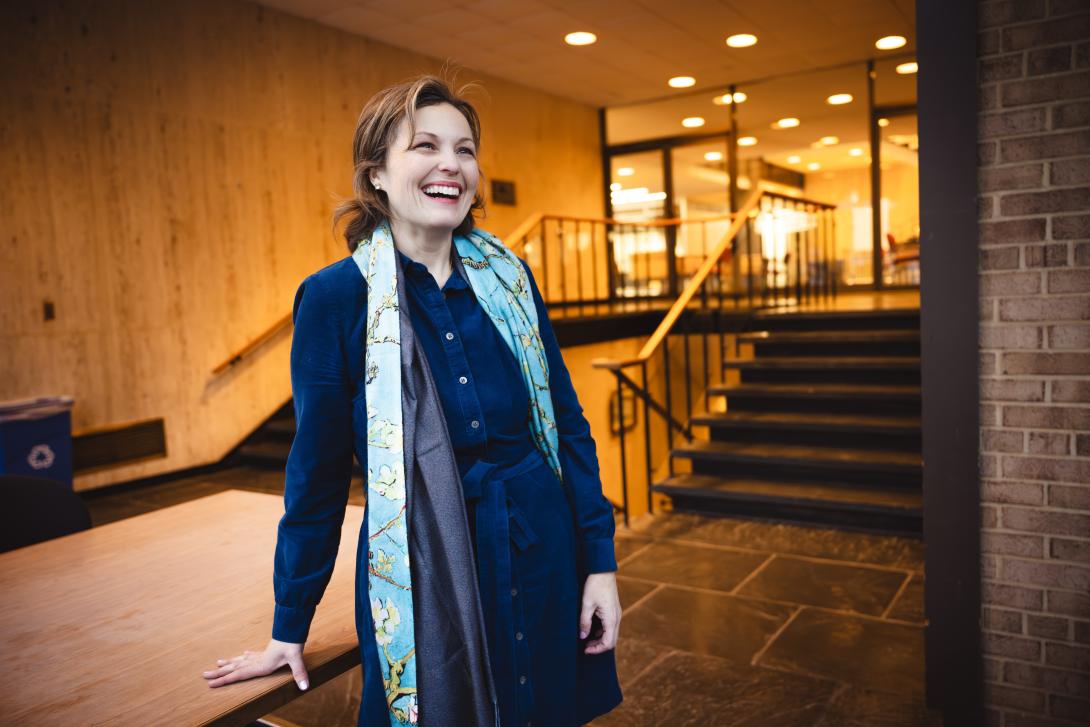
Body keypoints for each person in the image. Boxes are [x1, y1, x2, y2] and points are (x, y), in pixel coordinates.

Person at [201, 75, 623, 726]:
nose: (450, 165)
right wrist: (291, 624)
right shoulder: (336, 299)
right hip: (426, 571)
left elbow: (567, 424)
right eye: (425, 146)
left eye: (465, 149)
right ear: (375, 174)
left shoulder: (509, 279)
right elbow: (314, 478)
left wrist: (599, 563)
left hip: (542, 549)